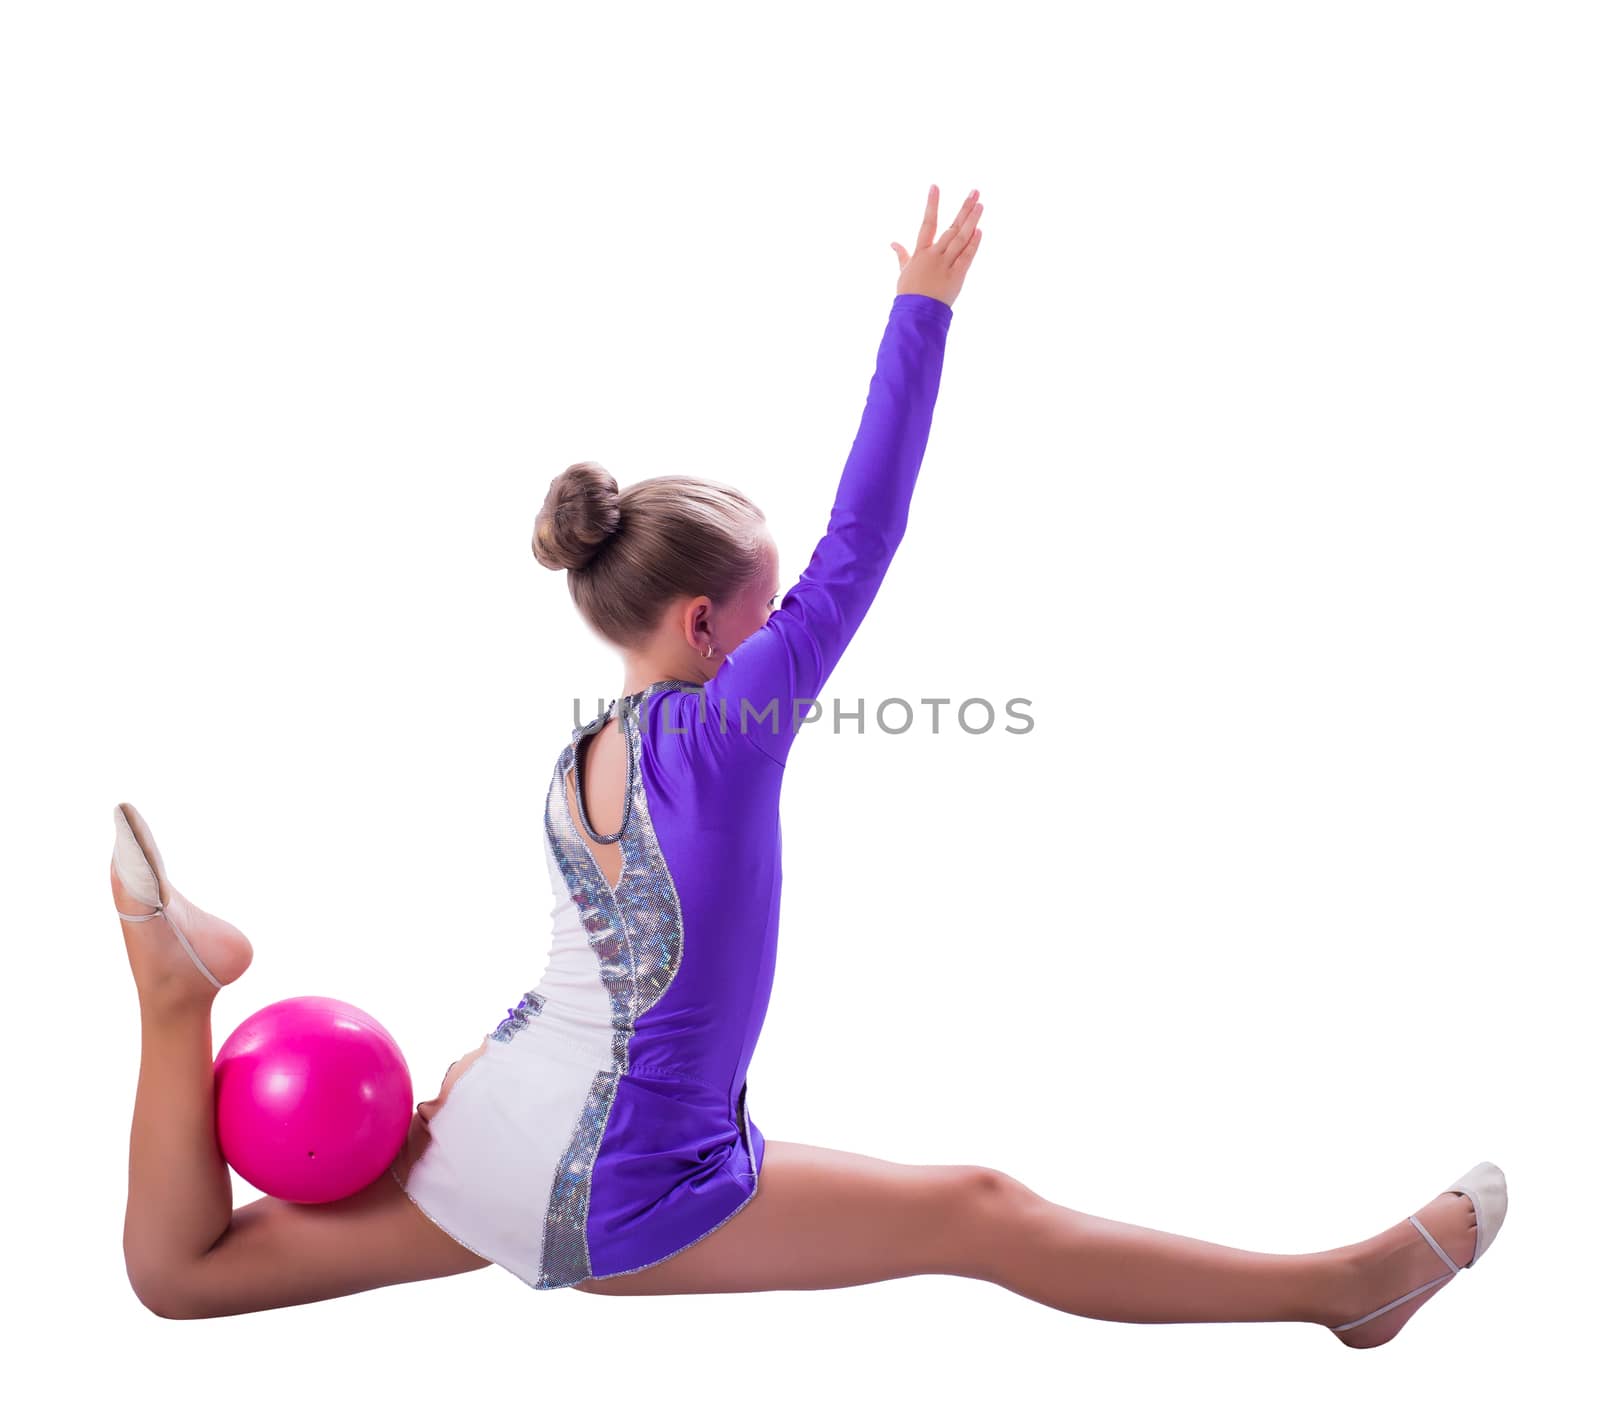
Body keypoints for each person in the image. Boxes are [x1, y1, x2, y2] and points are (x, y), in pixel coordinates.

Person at [111, 183, 1505, 1343]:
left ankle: (175, 1001)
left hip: (501, 1120)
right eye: (766, 615)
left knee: (186, 1273)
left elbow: (597, 970)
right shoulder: (721, 729)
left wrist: (469, 1084)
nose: (789, 635)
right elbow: (865, 536)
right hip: (622, 1181)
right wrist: (924, 311)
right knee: (982, 1211)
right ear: (708, 623)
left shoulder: (578, 760)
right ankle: (1347, 1288)